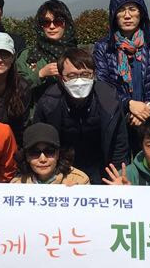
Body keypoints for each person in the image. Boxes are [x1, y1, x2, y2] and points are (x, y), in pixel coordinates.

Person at [31, 48, 130, 185]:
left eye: (85, 74)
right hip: (63, 169)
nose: (79, 81)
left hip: (101, 168)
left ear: (94, 75)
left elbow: (120, 142)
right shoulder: (48, 103)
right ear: (61, 78)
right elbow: (38, 143)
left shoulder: (109, 99)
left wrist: (117, 174)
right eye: (71, 76)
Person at [93, 0, 150, 149]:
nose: (127, 15)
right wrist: (129, 105)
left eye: (132, 9)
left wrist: (147, 107)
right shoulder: (103, 47)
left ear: (141, 13)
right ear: (114, 15)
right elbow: (103, 85)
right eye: (121, 10)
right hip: (118, 119)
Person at [17, 0, 78, 104]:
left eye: (58, 22)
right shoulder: (28, 55)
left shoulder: (78, 54)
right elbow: (15, 89)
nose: (52, 26)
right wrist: (40, 74)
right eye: (46, 22)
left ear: (67, 24)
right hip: (37, 112)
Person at [11, 123, 90, 185]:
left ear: (58, 154)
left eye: (49, 151)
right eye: (34, 152)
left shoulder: (79, 181)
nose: (43, 159)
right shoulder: (17, 185)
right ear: (26, 156)